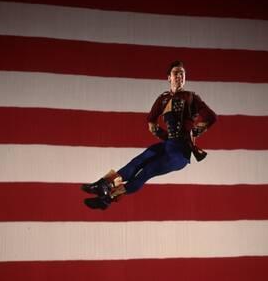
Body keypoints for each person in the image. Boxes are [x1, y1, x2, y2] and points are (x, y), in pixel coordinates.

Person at [82, 60, 217, 210]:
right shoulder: (163, 99)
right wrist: (165, 137)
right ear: (169, 77)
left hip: (180, 154)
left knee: (147, 171)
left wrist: (194, 132)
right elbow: (151, 122)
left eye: (182, 74)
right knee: (138, 161)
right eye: (176, 73)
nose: (179, 76)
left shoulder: (191, 97)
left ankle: (108, 197)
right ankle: (102, 185)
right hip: (168, 145)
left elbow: (211, 117)